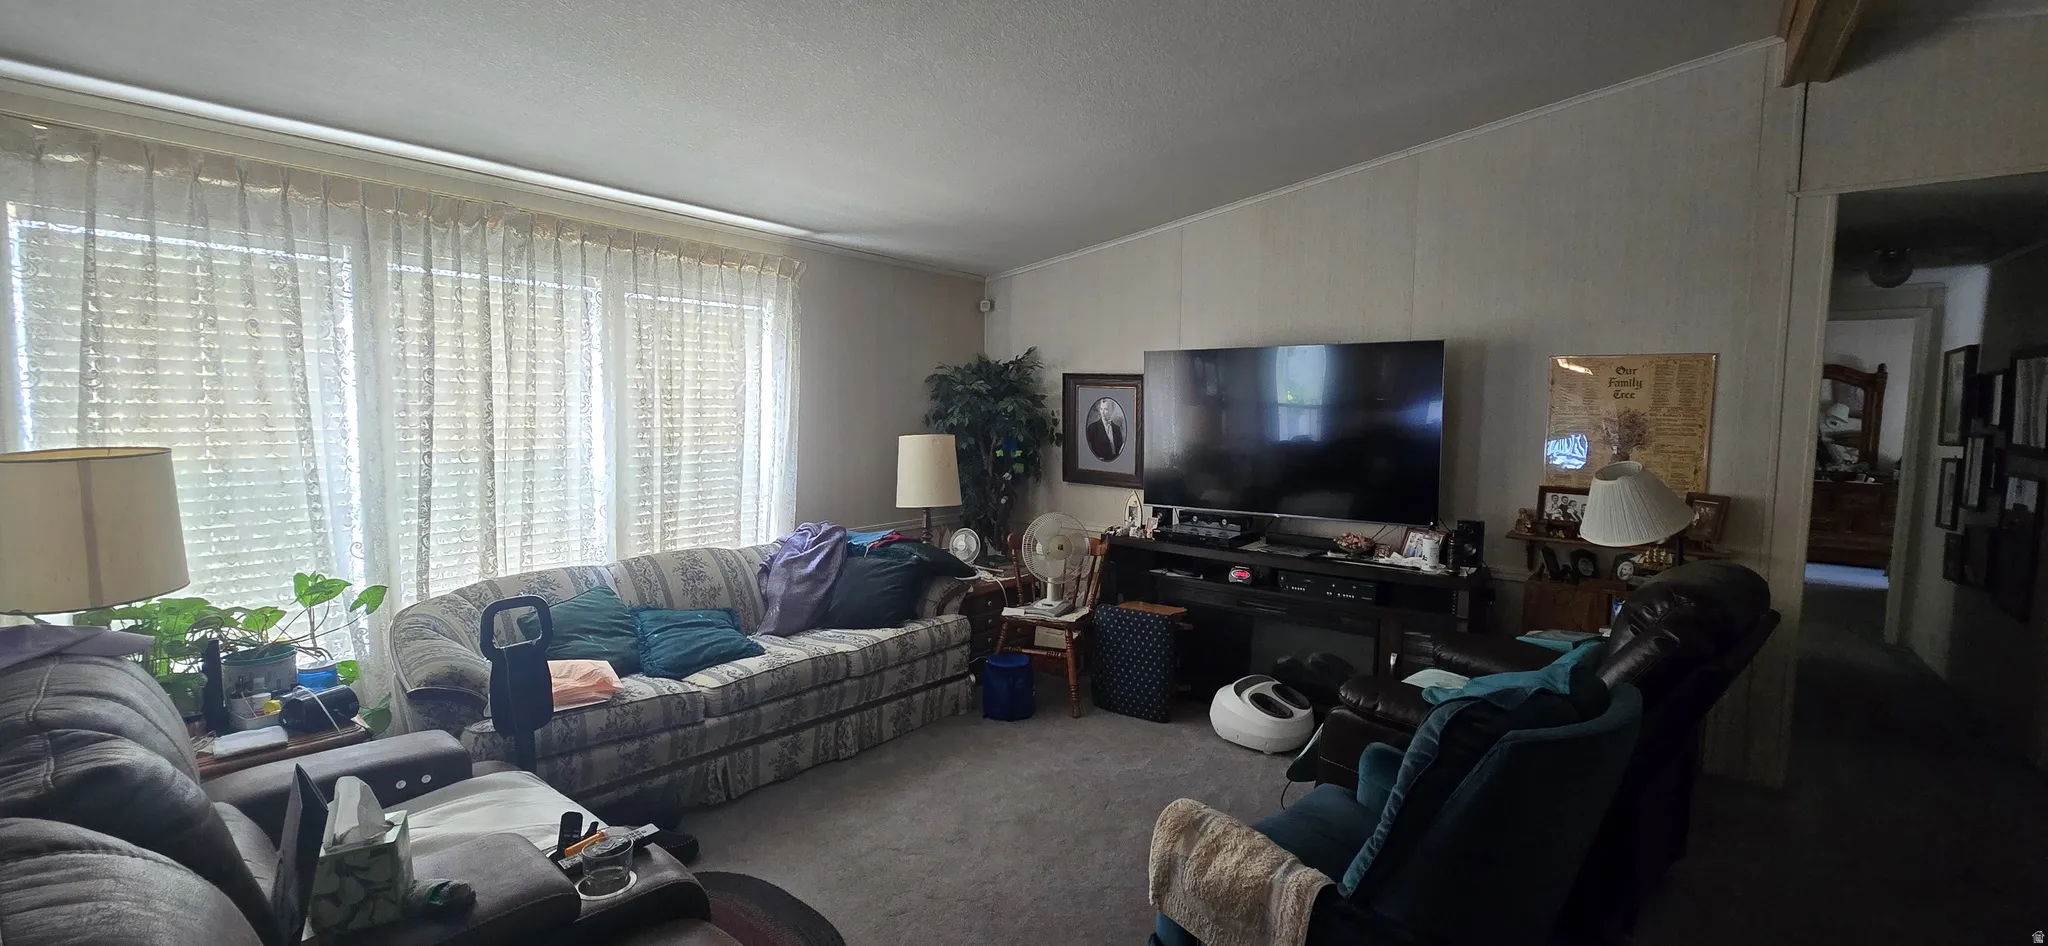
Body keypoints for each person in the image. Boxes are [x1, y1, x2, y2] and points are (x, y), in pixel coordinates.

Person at [1086, 397, 1125, 461]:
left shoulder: (1117, 428)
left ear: (1111, 411)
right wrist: (1095, 458)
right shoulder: (1092, 427)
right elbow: (1085, 448)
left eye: (1106, 409)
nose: (1102, 412)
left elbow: (1120, 448)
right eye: (1101, 409)